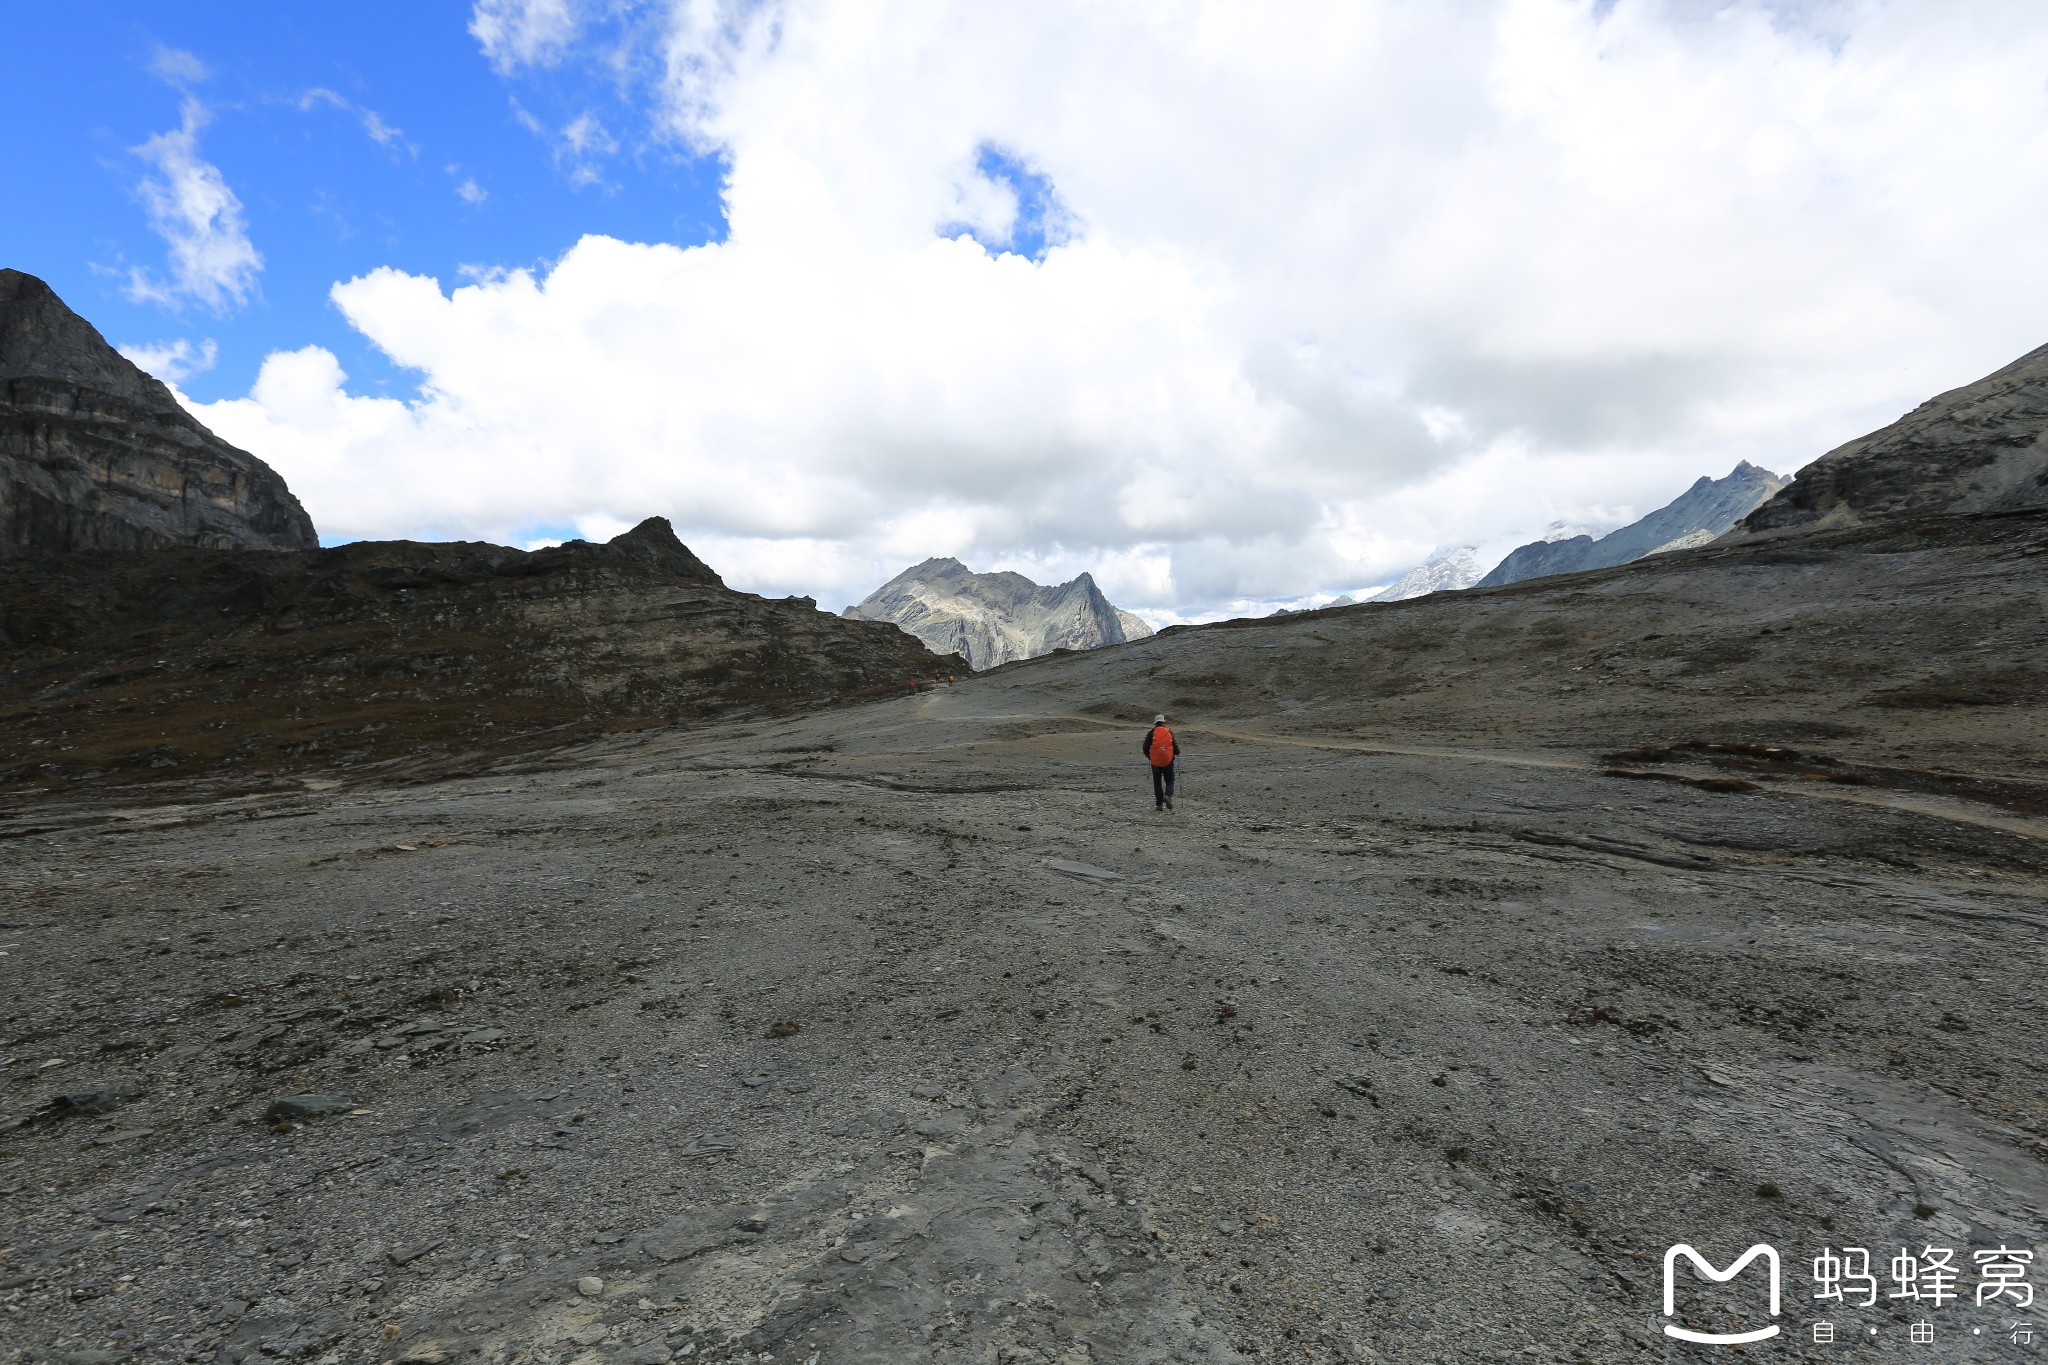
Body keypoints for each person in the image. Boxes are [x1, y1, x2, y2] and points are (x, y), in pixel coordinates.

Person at [1142, 713, 1178, 811]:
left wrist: (1149, 756)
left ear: (1155, 723)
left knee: (1157, 783)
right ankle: (1168, 795)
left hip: (1155, 762)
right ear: (1163, 722)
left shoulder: (1151, 733)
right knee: (1170, 780)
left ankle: (1159, 805)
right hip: (1168, 760)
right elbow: (1174, 745)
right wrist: (1176, 753)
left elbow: (1145, 747)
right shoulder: (1169, 731)